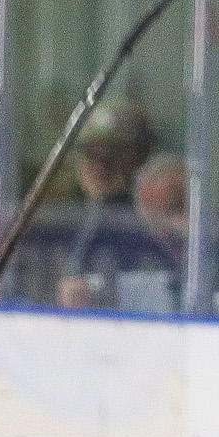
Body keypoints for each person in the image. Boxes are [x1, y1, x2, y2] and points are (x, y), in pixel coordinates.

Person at [54, 101, 160, 308]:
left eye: (113, 156)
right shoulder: (62, 217)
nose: (100, 167)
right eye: (90, 154)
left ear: (138, 160)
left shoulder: (149, 225)